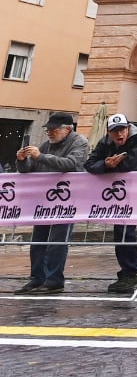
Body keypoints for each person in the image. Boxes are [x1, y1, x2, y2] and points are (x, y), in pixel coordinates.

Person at [15, 111, 89, 294]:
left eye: (54, 129)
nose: (49, 132)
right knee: (38, 241)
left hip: (66, 200)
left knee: (57, 242)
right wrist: (21, 160)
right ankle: (36, 278)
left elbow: (70, 164)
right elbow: (30, 169)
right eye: (48, 129)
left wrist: (40, 156)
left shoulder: (80, 142)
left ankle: (54, 280)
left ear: (68, 129)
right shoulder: (47, 145)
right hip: (44, 201)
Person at [84, 112, 137, 293]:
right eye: (114, 131)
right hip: (121, 193)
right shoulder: (105, 142)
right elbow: (89, 164)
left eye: (122, 130)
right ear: (109, 132)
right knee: (121, 231)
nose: (119, 135)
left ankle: (131, 272)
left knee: (125, 231)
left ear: (128, 128)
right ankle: (129, 272)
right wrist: (106, 165)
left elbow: (129, 166)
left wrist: (108, 166)